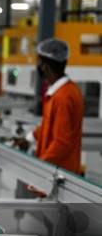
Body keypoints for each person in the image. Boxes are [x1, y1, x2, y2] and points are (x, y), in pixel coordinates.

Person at [20, 38, 84, 174]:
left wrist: (40, 167)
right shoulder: (63, 91)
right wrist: (29, 138)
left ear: (44, 66)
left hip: (58, 175)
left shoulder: (63, 97)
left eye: (38, 61)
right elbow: (49, 125)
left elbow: (61, 142)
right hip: (55, 171)